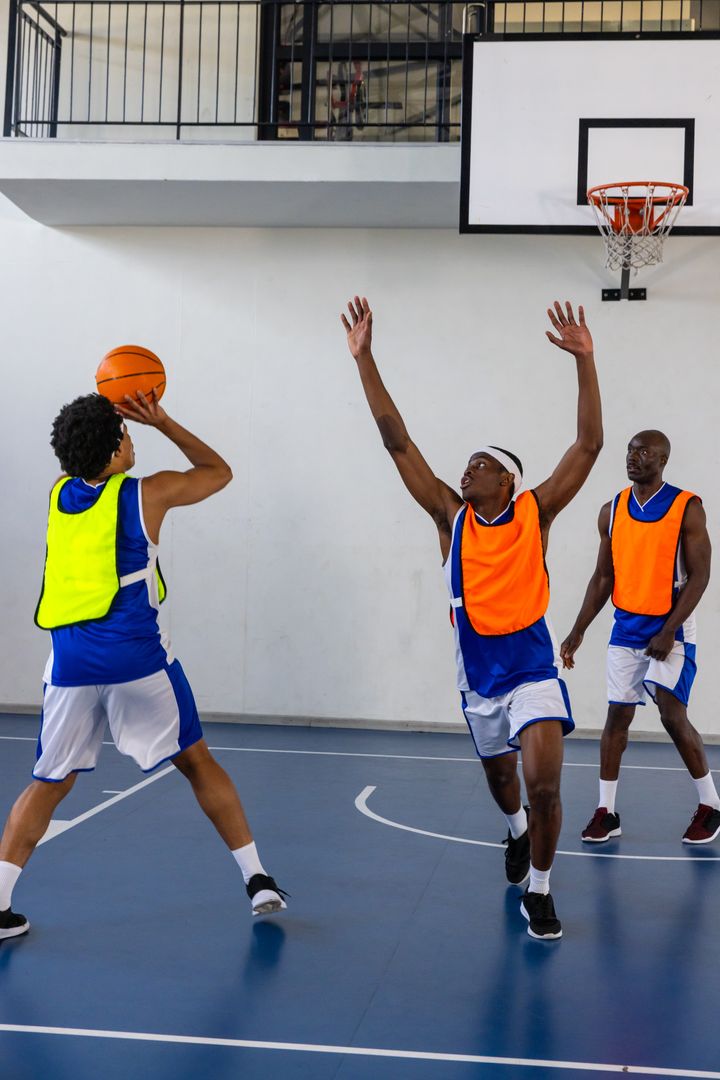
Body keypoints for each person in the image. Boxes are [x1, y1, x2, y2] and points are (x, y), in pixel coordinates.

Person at [341, 297, 602, 939]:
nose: (467, 470)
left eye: (481, 465)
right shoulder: (449, 519)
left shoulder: (533, 515)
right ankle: (514, 832)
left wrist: (586, 362)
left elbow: (589, 444)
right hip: (477, 676)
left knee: (545, 785)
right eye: (466, 465)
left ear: (509, 480)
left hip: (533, 668)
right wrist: (365, 358)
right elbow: (395, 440)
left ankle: (539, 891)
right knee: (503, 779)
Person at [0, 390, 286, 941]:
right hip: (136, 659)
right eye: (125, 435)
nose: (132, 440)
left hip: (70, 666)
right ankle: (258, 880)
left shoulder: (60, 496)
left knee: (47, 782)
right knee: (198, 762)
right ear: (112, 451)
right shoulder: (145, 496)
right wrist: (162, 419)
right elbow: (218, 472)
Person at [561, 429, 720, 844]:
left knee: (671, 714)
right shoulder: (611, 510)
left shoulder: (688, 507)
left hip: (672, 626)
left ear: (663, 459)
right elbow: (602, 577)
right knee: (617, 717)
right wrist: (578, 630)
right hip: (626, 627)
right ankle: (606, 811)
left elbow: (700, 577)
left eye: (643, 451)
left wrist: (668, 630)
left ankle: (711, 804)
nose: (633, 457)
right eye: (630, 451)